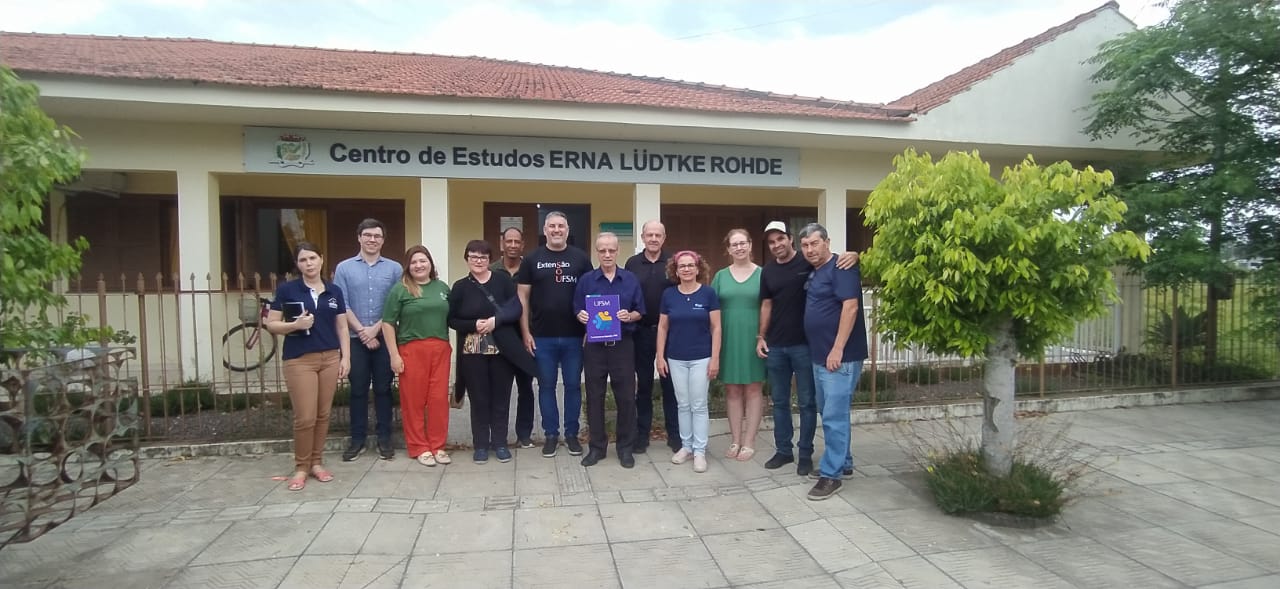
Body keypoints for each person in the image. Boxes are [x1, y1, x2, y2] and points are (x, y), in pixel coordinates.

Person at [757, 221, 859, 476]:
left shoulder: (824, 264)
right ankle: (787, 452)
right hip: (789, 348)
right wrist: (761, 336)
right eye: (771, 242)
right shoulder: (776, 271)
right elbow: (767, 304)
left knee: (813, 406)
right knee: (786, 403)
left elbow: (850, 303)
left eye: (781, 238)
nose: (810, 249)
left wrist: (856, 254)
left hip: (815, 349)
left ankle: (814, 461)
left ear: (790, 240)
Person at [266, 242, 350, 491]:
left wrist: (346, 357)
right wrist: (294, 326)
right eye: (303, 260)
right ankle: (301, 466)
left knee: (323, 415)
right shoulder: (287, 290)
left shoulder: (334, 291)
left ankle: (316, 462)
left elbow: (342, 326)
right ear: (298, 264)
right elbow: (272, 324)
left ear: (322, 260)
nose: (309, 264)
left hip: (329, 357)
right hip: (299, 359)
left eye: (313, 258)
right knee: (305, 417)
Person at [449, 240, 538, 464]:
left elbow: (516, 307)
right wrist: (474, 324)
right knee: (479, 399)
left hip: (502, 350)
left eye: (483, 257)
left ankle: (499, 443)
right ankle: (480, 445)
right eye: (473, 257)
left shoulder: (502, 280)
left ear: (490, 260)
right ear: (467, 259)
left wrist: (495, 321)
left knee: (501, 397)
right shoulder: (460, 286)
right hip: (473, 352)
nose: (478, 261)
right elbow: (451, 319)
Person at [798, 223, 868, 501]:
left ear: (827, 242)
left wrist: (837, 349)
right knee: (830, 412)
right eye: (805, 245)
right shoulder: (817, 271)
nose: (810, 249)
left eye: (814, 243)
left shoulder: (842, 267)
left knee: (833, 416)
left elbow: (850, 307)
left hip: (840, 357)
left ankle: (831, 475)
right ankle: (844, 462)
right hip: (820, 356)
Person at [517, 212, 592, 458]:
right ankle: (551, 434)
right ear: (545, 229)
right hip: (542, 337)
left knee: (572, 386)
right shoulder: (531, 259)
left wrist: (589, 331)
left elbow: (591, 297)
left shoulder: (580, 258)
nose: (557, 230)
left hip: (574, 337)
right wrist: (526, 332)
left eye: (561, 226)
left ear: (567, 230)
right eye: (552, 226)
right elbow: (522, 298)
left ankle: (571, 434)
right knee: (546, 387)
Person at [573, 232, 645, 468]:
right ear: (597, 252)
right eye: (602, 250)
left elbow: (639, 311)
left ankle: (625, 448)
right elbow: (576, 308)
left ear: (617, 251)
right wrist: (581, 315)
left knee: (626, 398)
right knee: (595, 397)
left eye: (611, 250)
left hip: (623, 346)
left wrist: (628, 315)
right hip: (594, 348)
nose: (607, 254)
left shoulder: (630, 279)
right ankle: (597, 448)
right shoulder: (586, 280)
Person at [332, 218, 402, 462]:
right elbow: (342, 304)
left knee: (384, 389)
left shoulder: (394, 269)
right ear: (359, 237)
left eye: (377, 236)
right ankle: (357, 439)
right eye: (368, 235)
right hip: (354, 338)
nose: (372, 240)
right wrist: (362, 331)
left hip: (384, 338)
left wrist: (375, 330)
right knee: (358, 391)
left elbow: (396, 305)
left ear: (383, 240)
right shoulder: (344, 268)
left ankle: (385, 438)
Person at [381, 245, 452, 467]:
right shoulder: (400, 290)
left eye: (423, 261)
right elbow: (387, 324)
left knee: (439, 399)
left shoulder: (442, 288)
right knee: (413, 401)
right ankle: (419, 446)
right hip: (412, 350)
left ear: (430, 263)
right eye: (414, 262)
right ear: (408, 267)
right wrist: (394, 355)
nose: (419, 265)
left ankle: (438, 445)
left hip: (440, 348)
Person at [657, 251, 721, 474]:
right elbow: (663, 327)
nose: (686, 269)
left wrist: (715, 358)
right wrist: (659, 356)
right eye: (681, 266)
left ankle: (700, 450)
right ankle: (686, 446)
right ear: (675, 270)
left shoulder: (708, 294)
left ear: (698, 268)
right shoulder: (669, 295)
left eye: (690, 265)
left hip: (701, 357)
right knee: (682, 404)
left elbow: (716, 327)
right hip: (675, 357)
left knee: (699, 405)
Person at [624, 220, 681, 454]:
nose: (654, 239)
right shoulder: (632, 263)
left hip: (670, 333)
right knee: (644, 386)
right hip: (641, 333)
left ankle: (675, 434)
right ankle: (642, 435)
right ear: (642, 237)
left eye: (658, 235)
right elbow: (627, 293)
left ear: (664, 237)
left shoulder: (674, 262)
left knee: (671, 386)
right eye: (649, 235)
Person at [711, 228, 766, 463]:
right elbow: (712, 310)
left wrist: (764, 336)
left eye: (743, 243)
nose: (739, 247)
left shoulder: (763, 274)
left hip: (754, 338)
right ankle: (735, 438)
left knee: (754, 389)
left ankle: (750, 440)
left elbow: (769, 306)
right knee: (732, 389)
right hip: (729, 338)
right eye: (734, 244)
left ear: (751, 245)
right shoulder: (721, 276)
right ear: (728, 249)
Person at [490, 226, 537, 449]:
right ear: (502, 243)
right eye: (508, 241)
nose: (512, 245)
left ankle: (524, 434)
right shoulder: (491, 270)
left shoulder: (530, 269)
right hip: (499, 338)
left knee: (526, 387)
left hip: (525, 338)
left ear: (522, 244)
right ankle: (498, 436)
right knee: (500, 389)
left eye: (516, 241)